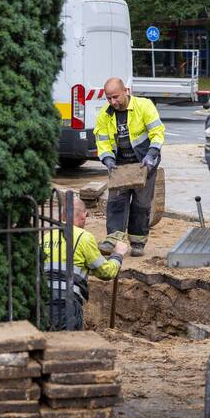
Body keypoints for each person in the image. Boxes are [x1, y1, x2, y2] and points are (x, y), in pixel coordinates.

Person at [94, 77, 165, 256]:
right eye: (109, 98)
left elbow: (157, 132)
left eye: (115, 97)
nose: (113, 102)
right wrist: (108, 160)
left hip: (144, 162)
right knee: (116, 200)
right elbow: (102, 141)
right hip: (120, 164)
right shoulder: (104, 114)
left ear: (125, 91)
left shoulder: (144, 106)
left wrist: (151, 155)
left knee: (141, 203)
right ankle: (112, 240)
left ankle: (138, 242)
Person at [43, 194, 128, 330]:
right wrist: (118, 254)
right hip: (66, 305)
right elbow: (106, 272)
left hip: (42, 303)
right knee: (68, 341)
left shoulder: (47, 237)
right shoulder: (84, 237)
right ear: (84, 216)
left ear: (62, 216)